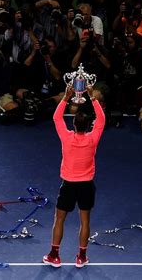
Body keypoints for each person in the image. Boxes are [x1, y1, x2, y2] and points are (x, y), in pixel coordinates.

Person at [43, 83, 105, 268]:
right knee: (85, 220)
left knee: (59, 219)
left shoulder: (66, 137)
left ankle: (54, 255)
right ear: (88, 126)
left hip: (68, 185)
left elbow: (56, 118)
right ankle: (82, 257)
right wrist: (93, 97)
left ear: (74, 125)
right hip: (86, 185)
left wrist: (65, 97)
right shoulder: (93, 138)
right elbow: (101, 119)